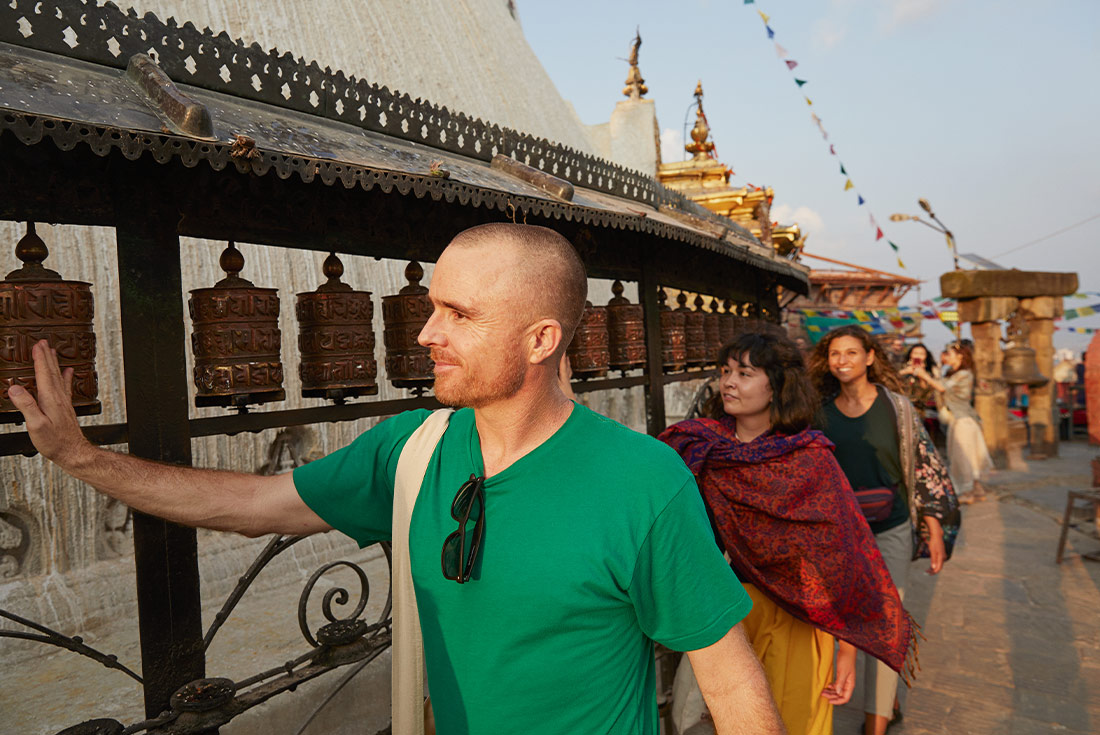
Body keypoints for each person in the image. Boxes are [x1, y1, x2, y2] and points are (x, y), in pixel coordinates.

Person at [10, 223, 785, 735]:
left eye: (458, 313)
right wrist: (84, 459)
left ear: (542, 337)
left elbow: (730, 679)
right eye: (428, 306)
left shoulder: (642, 480)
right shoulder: (409, 451)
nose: (426, 332)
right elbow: (254, 504)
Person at [659, 327, 916, 735]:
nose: (728, 382)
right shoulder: (700, 446)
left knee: (790, 721)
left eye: (744, 373)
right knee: (694, 720)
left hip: (797, 618)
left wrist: (846, 652)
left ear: (776, 386)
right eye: (725, 371)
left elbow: (842, 560)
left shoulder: (810, 461)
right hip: (726, 609)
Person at [807, 326, 959, 735]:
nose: (843, 361)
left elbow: (923, 468)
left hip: (891, 527)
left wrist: (934, 529)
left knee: (887, 621)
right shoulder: (819, 413)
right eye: (836, 353)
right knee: (845, 622)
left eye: (852, 353)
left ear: (870, 356)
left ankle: (876, 724)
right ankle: (881, 700)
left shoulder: (898, 408)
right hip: (840, 534)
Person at [906, 342, 992, 505]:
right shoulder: (952, 373)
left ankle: (967, 492)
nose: (945, 356)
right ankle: (977, 490)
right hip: (959, 420)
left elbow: (942, 388)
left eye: (949, 353)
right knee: (965, 457)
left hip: (963, 420)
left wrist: (924, 374)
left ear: (960, 356)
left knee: (963, 459)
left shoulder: (964, 374)